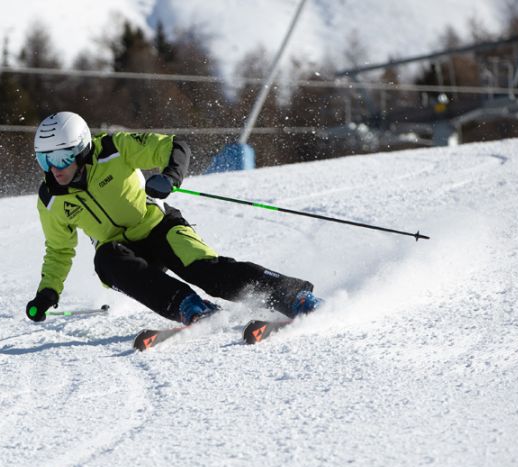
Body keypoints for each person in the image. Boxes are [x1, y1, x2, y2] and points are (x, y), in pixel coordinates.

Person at [24, 111, 322, 325]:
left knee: (207, 272)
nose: (54, 169)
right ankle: (189, 306)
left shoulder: (114, 150)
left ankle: (293, 296)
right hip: (122, 255)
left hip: (160, 228)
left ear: (82, 149)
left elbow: (174, 146)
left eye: (61, 157)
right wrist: (48, 292)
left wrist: (170, 177)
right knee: (105, 259)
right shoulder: (51, 199)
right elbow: (59, 250)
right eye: (44, 160)